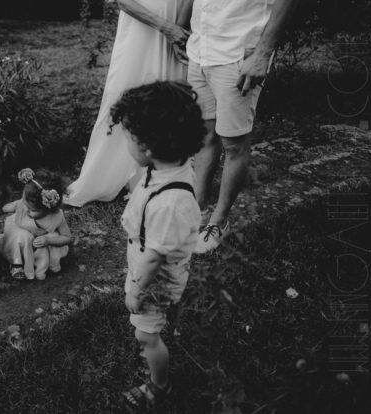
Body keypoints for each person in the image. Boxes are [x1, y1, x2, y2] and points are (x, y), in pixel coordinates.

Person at [111, 81, 205, 410]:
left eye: (127, 137)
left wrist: (135, 291)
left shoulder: (170, 205)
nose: (126, 143)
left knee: (146, 335)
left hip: (155, 283)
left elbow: (153, 259)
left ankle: (159, 385)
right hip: (155, 268)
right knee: (148, 327)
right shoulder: (171, 167)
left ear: (147, 146)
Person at [181, 0, 298, 253]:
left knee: (233, 143)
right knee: (204, 134)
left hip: (237, 52)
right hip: (201, 49)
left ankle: (219, 221)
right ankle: (198, 210)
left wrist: (263, 54)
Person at [63, 0, 191, 207]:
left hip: (176, 26)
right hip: (140, 33)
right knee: (124, 95)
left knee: (167, 101)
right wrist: (166, 27)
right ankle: (102, 177)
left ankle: (155, 179)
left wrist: (179, 32)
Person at [0, 168, 72, 281]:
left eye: (32, 210)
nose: (26, 210)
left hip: (39, 241)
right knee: (21, 236)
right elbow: (12, 205)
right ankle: (16, 263)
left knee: (49, 239)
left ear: (49, 208)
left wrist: (49, 240)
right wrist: (2, 209)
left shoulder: (56, 216)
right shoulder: (24, 204)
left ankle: (39, 265)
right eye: (24, 204)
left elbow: (67, 237)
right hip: (20, 229)